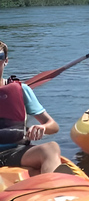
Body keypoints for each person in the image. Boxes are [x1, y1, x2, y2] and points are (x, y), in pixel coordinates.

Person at [0, 41, 61, 174]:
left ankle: (50, 190)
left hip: (15, 151)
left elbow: (53, 126)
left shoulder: (22, 90)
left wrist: (42, 128)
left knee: (51, 148)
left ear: (5, 61)